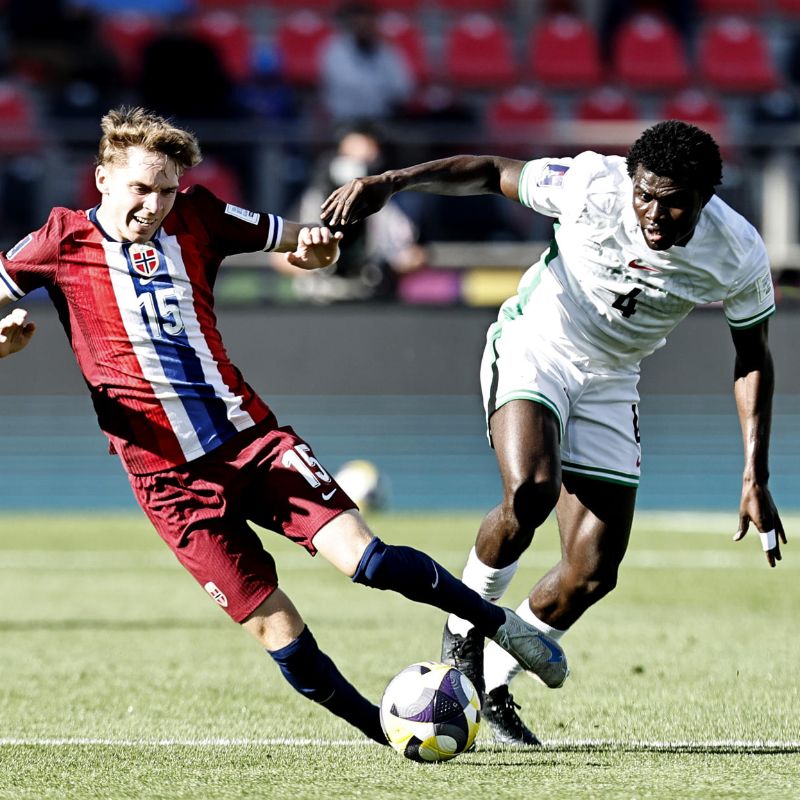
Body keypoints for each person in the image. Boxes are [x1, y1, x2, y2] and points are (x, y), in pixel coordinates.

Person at [0, 106, 568, 745]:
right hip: (169, 486)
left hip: (254, 442)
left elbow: (301, 238)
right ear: (102, 179)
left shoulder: (199, 216)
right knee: (277, 629)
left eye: (166, 190)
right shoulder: (60, 239)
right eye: (140, 188)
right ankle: (390, 735)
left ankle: (499, 626)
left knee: (370, 562)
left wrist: (317, 248)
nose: (154, 205)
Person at [321, 119, 786, 745]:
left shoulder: (738, 252)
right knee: (534, 489)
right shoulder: (592, 183)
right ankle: (463, 635)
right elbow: (491, 171)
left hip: (614, 377)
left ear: (706, 196)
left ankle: (489, 674)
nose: (653, 213)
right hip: (537, 344)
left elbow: (752, 355)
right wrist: (392, 182)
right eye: (644, 194)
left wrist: (755, 472)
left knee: (592, 571)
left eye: (673, 201)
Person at [274, 122, 424, 302]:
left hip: (369, 294)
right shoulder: (315, 199)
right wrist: (312, 264)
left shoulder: (388, 205)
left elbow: (415, 253)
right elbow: (279, 257)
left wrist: (390, 265)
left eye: (367, 155)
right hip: (319, 296)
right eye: (350, 153)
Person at [320, 2, 415, 123]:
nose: (363, 27)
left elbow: (403, 86)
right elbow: (346, 85)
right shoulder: (334, 48)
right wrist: (382, 91)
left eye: (367, 22)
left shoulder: (386, 49)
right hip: (346, 120)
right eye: (358, 23)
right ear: (351, 24)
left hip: (383, 118)